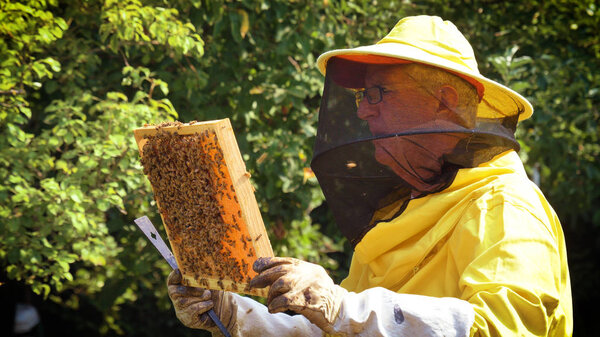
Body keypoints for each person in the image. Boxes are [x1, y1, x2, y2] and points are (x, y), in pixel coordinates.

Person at [167, 15, 572, 336]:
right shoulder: (403, 211)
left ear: (444, 102)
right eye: (362, 97)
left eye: (379, 93)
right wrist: (231, 314)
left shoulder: (505, 206)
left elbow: (501, 330)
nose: (362, 112)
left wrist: (343, 307)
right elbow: (339, 330)